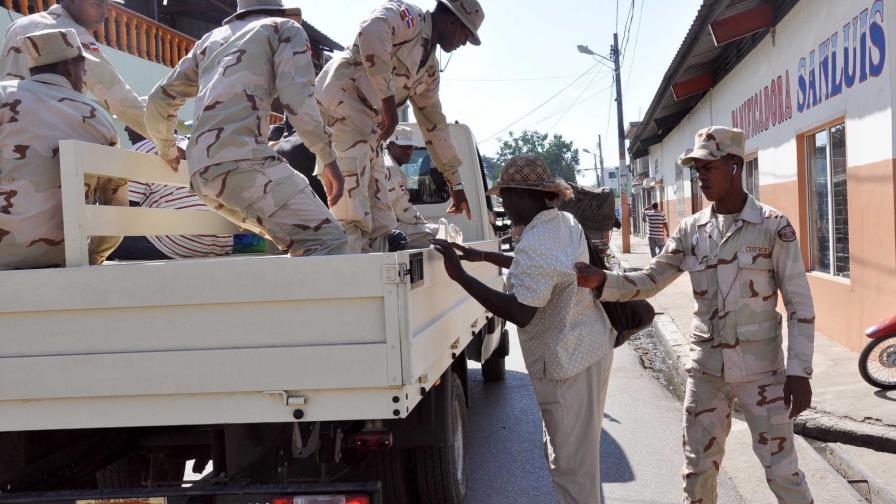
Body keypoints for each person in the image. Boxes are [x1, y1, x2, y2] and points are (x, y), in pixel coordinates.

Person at [576, 126, 815, 504]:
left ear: (734, 166)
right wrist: (602, 280)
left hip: (762, 372)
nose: (700, 176)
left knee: (782, 472)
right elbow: (652, 278)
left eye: (708, 167)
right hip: (706, 372)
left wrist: (799, 371)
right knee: (697, 471)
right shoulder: (691, 230)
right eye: (695, 169)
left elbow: (800, 305)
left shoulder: (773, 226)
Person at [432, 154, 614, 504]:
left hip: (568, 362)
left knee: (573, 469)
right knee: (574, 459)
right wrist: (483, 256)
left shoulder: (540, 240)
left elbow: (521, 312)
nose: (504, 204)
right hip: (586, 349)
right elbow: (540, 268)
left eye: (505, 196)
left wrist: (461, 276)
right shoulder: (559, 223)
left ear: (522, 194)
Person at [145, 0, 347, 257]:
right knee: (328, 241)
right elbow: (297, 99)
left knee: (295, 242)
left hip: (202, 175)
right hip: (244, 163)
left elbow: (159, 98)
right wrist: (327, 159)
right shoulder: (283, 28)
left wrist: (167, 148)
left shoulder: (210, 40)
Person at [315, 0, 484, 253]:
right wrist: (387, 102)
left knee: (383, 224)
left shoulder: (429, 70)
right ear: (453, 22)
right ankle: (351, 285)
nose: (463, 44)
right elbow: (371, 31)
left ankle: (377, 288)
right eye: (466, 35)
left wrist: (455, 184)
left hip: (370, 136)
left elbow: (434, 124)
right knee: (350, 218)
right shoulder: (408, 17)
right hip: (342, 117)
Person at [0, 28, 124, 269]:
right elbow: (117, 206)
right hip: (65, 257)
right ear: (69, 67)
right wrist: (92, 258)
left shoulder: (4, 95)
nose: (85, 74)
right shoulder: (98, 116)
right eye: (83, 67)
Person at [1, 0, 149, 137]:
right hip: (44, 138)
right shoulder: (73, 34)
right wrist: (167, 143)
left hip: (7, 134)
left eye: (106, 6)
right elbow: (119, 99)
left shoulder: (18, 25)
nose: (104, 12)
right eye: (97, 4)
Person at [107, 127, 237, 260]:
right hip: (222, 243)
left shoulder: (141, 150)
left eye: (129, 121)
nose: (125, 128)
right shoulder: (193, 144)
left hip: (178, 244)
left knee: (98, 242)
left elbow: (124, 210)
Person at [379, 126, 439, 251]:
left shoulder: (385, 162)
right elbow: (404, 211)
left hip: (383, 223)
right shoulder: (391, 169)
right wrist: (423, 222)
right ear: (390, 146)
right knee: (440, 234)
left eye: (410, 147)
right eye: (403, 146)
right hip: (383, 228)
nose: (408, 151)